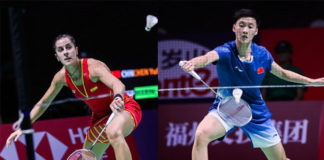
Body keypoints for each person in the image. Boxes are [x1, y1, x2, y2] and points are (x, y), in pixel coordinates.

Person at [180, 9, 324, 160]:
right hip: (227, 106)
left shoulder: (262, 54)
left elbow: (282, 73)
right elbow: (207, 58)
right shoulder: (225, 51)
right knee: (201, 135)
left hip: (255, 110)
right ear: (234, 28)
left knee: (280, 159)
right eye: (241, 25)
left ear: (255, 31)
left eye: (250, 26)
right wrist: (193, 63)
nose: (245, 30)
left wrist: (312, 82)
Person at [6, 34, 142, 160]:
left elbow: (118, 84)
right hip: (100, 118)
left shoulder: (93, 67)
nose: (65, 52)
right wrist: (24, 126)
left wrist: (117, 97)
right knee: (86, 157)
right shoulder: (60, 77)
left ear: (76, 50)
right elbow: (44, 102)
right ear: (57, 56)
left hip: (124, 108)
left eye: (68, 47)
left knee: (113, 132)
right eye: (60, 50)